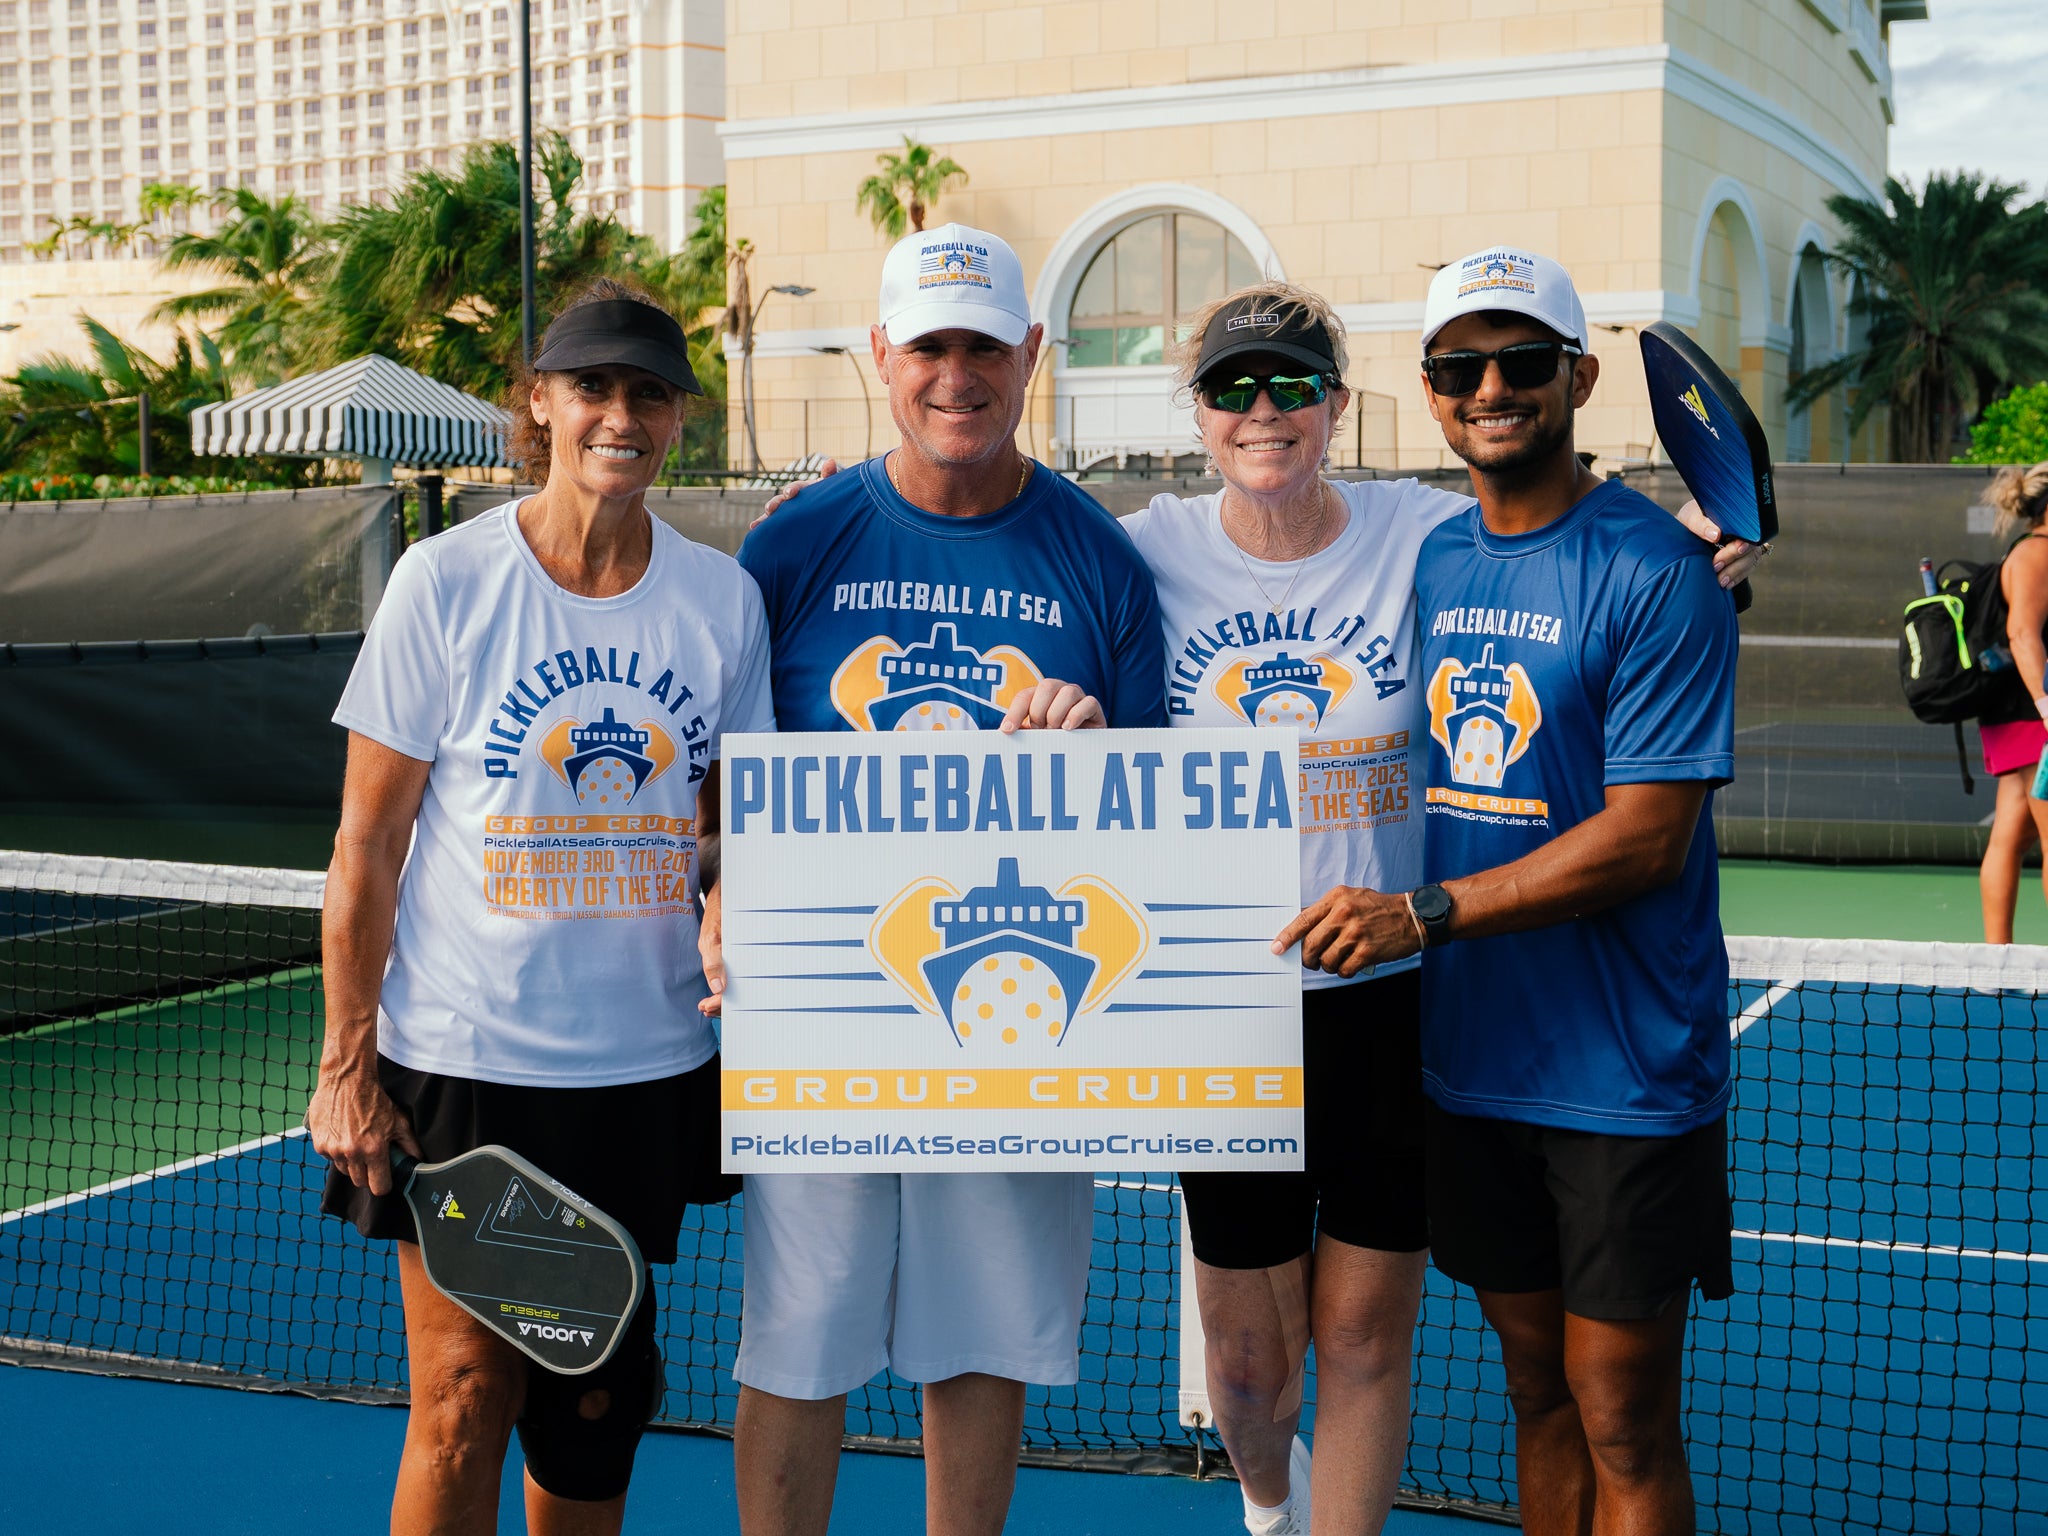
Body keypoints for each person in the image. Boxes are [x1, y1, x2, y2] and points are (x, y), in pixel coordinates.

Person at [759, 276, 1760, 1536]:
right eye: (1234, 387)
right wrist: (848, 496)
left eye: (1292, 383)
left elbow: (1547, 560)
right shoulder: (1144, 550)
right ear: (1198, 412)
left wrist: (1683, 554)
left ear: (1337, 403)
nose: (1264, 409)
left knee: (1360, 1338)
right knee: (1244, 1368)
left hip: (1393, 1002)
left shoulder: (1420, 536)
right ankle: (1267, 1504)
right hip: (1222, 1014)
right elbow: (1023, 612)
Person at [702, 221, 1166, 1536]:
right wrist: (723, 882)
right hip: (819, 1009)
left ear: (1030, 355)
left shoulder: (1098, 556)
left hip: (1016, 1007)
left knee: (980, 1341)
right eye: (927, 348)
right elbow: (726, 766)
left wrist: (1096, 752)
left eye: (981, 348)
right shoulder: (792, 550)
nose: (953, 374)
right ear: (880, 358)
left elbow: (1156, 821)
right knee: (800, 1339)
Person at [1280, 246, 1743, 1536]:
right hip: (1474, 1065)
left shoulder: (1652, 574)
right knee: (1533, 1396)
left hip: (1622, 1075)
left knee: (1621, 1421)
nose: (1491, 386)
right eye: (1458, 366)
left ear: (1578, 377)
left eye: (1522, 359)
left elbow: (1645, 840)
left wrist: (1421, 916)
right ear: (1429, 394)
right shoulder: (1437, 561)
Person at [306, 279, 774, 1536]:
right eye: (593, 388)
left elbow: (735, 824)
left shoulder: (721, 603)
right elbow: (367, 845)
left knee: (594, 1405)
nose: (619, 414)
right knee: (461, 1394)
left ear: (678, 417)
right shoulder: (443, 583)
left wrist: (729, 895)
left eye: (648, 392)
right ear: (541, 403)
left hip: (646, 1072)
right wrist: (348, 1063)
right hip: (465, 1068)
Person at [1975, 461, 2048, 942]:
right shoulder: (2038, 554)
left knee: (2013, 832)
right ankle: (1996, 959)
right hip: (2031, 715)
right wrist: (2046, 704)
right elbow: (2023, 634)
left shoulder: (2029, 551)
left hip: (2018, 714)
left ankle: (1995, 962)